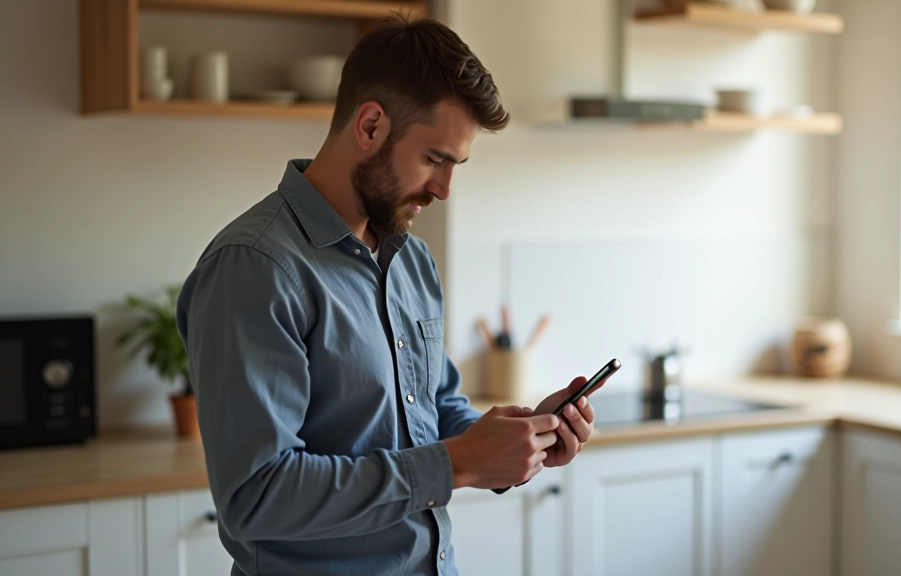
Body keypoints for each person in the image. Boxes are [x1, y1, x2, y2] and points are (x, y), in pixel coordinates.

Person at [176, 14, 603, 576]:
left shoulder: (410, 259)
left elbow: (431, 409)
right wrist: (458, 463)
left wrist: (518, 442)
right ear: (371, 125)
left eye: (457, 166)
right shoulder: (255, 267)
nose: (446, 190)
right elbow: (257, 495)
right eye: (435, 159)